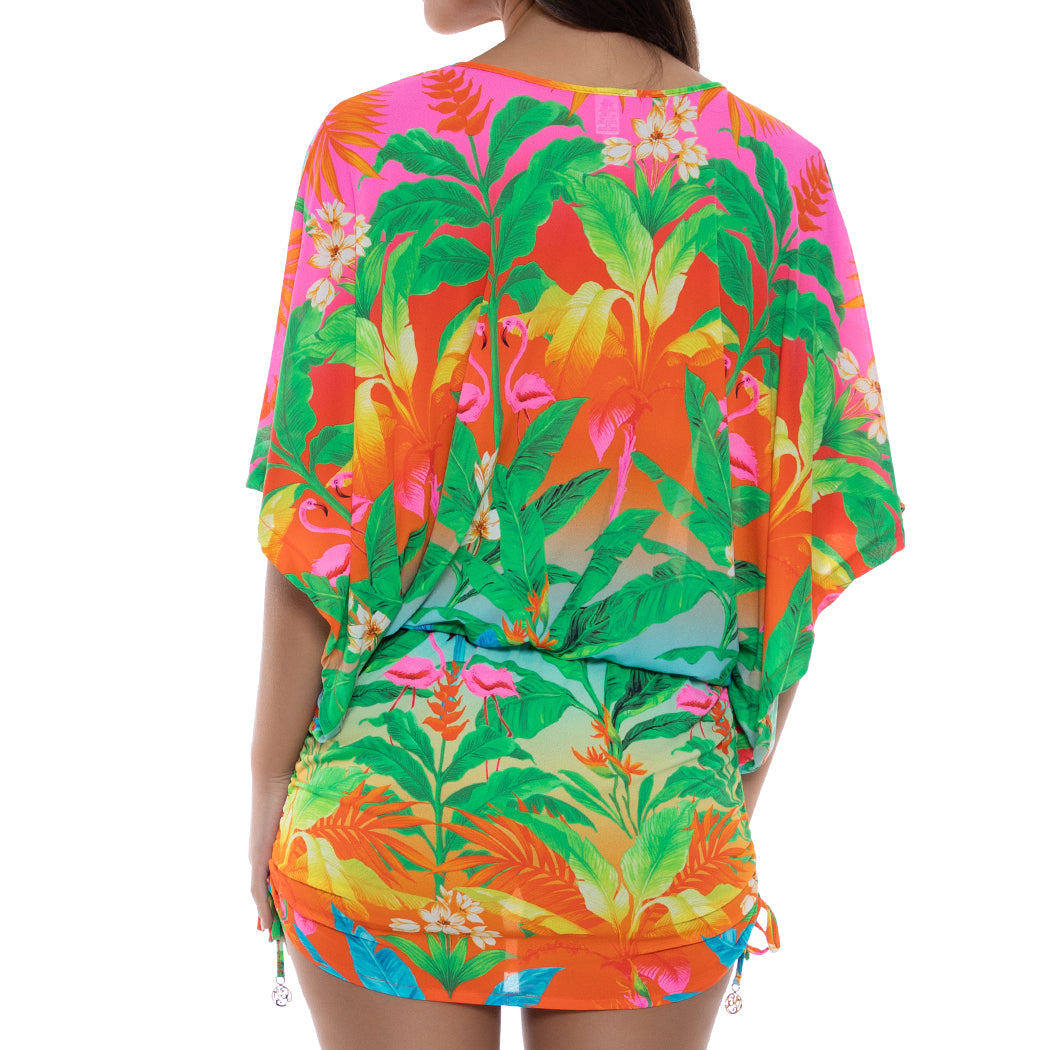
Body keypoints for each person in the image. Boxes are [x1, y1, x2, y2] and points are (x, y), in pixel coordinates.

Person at [246, 2, 905, 1047]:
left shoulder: (376, 142)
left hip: (395, 795)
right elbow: (799, 544)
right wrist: (713, 802)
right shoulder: (781, 179)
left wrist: (268, 783)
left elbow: (319, 514)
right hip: (652, 808)